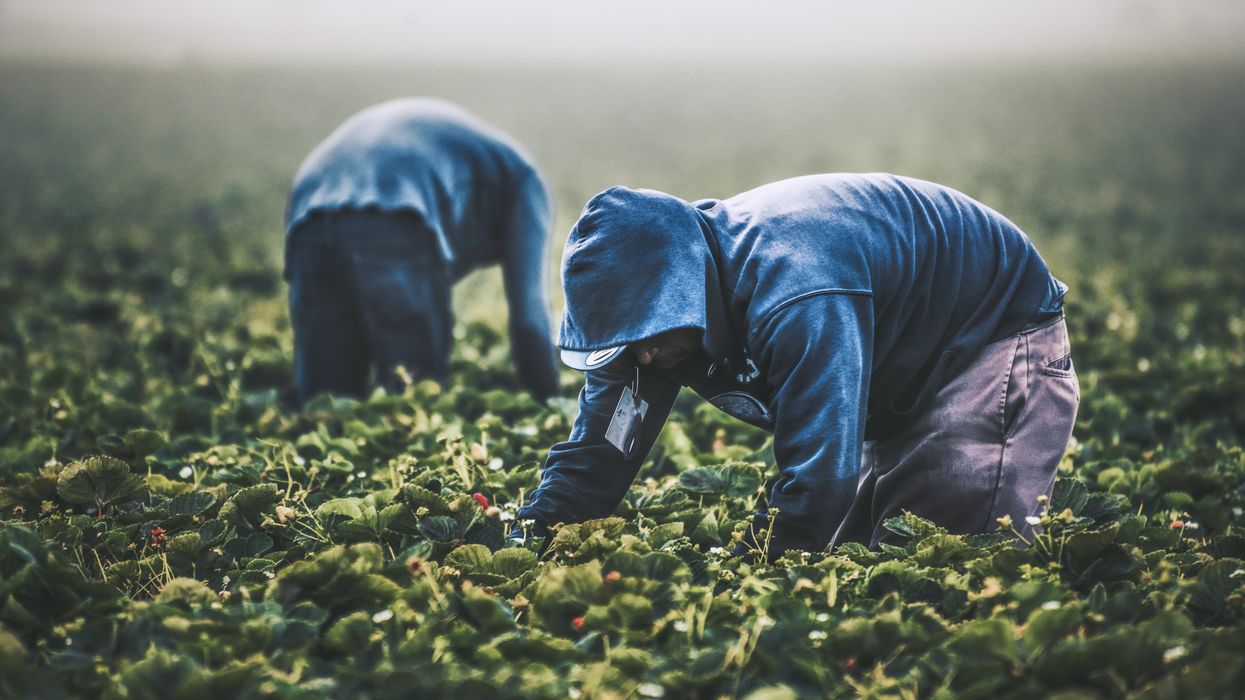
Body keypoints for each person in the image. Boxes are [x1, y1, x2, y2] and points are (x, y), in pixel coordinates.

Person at [516, 173, 1079, 558]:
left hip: (990, 333)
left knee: (952, 555)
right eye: (624, 341)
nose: (641, 357)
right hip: (895, 357)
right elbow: (600, 452)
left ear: (684, 290)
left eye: (648, 333)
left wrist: (745, 568)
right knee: (868, 556)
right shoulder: (648, 334)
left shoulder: (795, 291)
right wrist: (529, 538)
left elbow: (820, 477)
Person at [284, 98, 559, 404]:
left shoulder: (486, 165)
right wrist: (550, 401)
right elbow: (529, 320)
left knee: (326, 405)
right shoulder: (527, 184)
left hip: (308, 211)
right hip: (395, 209)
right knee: (413, 400)